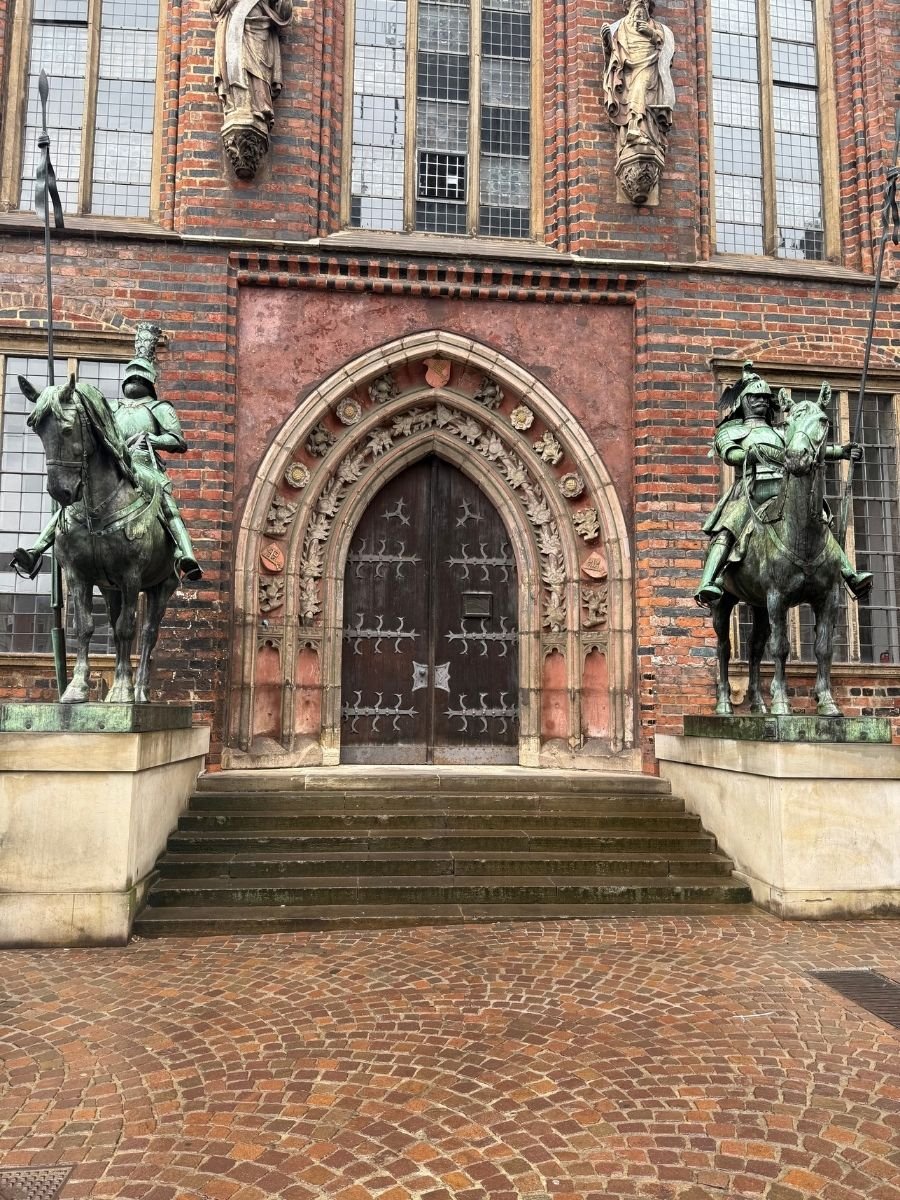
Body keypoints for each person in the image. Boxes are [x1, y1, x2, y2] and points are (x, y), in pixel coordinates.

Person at [11, 324, 202, 582]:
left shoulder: (159, 408)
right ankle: (36, 550)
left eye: (140, 378)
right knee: (74, 503)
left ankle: (185, 553)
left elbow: (177, 440)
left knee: (167, 503)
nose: (135, 381)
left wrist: (151, 438)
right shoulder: (112, 407)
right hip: (114, 462)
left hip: (144, 463)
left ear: (149, 382)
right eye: (131, 377)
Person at [695, 363, 872, 607]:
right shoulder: (731, 431)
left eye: (764, 397)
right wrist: (750, 454)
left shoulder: (781, 432)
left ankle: (849, 573)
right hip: (752, 491)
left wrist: (841, 451)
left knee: (819, 521)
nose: (761, 401)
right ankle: (708, 580)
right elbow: (730, 455)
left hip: (784, 489)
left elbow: (805, 448)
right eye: (755, 396)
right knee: (729, 527)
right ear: (743, 400)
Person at [601, 0, 676, 160]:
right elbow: (612, 57)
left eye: (645, 2)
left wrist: (651, 33)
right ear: (628, 4)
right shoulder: (618, 27)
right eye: (636, 1)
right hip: (628, 71)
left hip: (649, 65)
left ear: (649, 6)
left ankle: (637, 128)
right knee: (635, 90)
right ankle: (633, 130)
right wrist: (607, 40)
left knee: (641, 87)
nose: (640, 4)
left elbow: (667, 48)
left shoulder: (658, 27)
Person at [210, 0, 293, 133]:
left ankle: (259, 110)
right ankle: (239, 107)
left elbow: (283, 12)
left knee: (259, 71)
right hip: (235, 23)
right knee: (238, 65)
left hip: (259, 26)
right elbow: (215, 6)